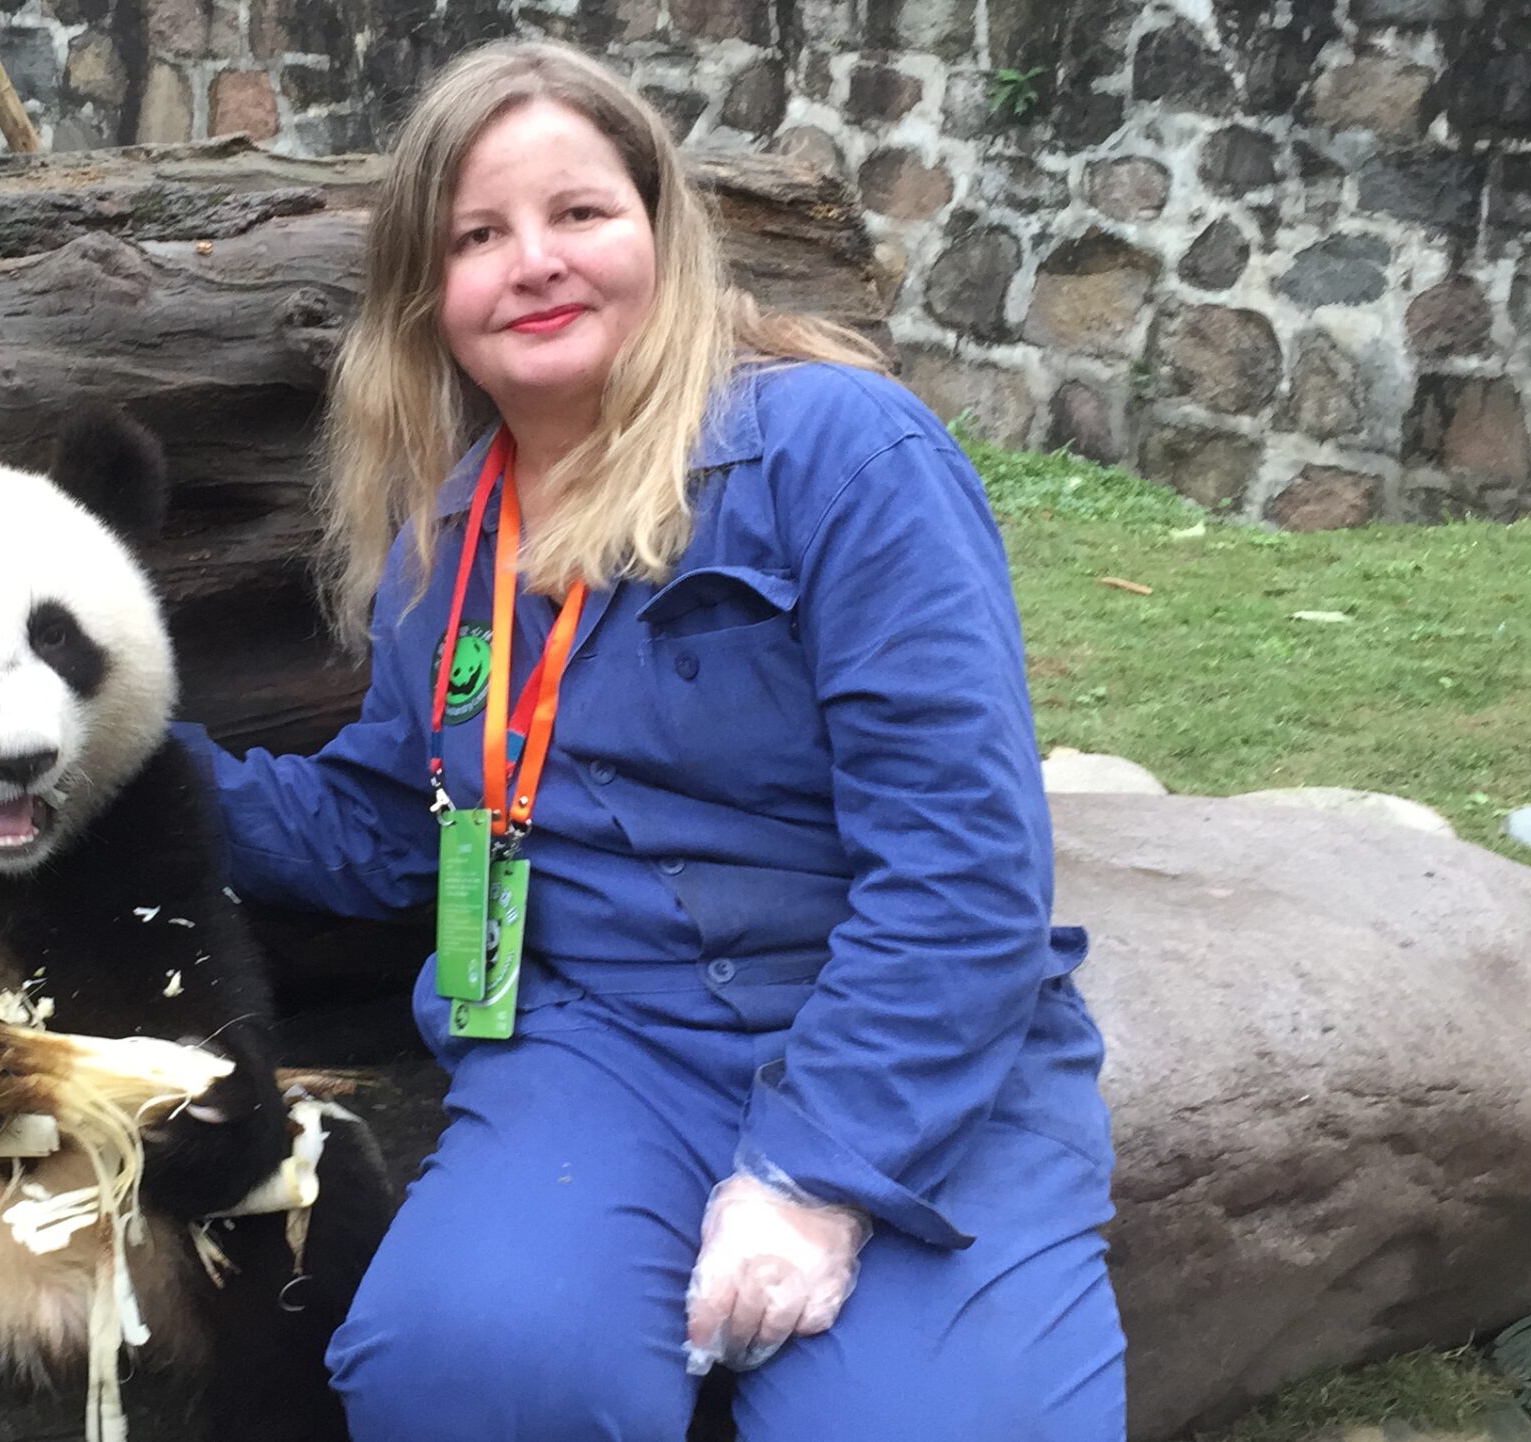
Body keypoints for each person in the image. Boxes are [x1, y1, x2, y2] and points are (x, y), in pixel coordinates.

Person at [170, 38, 1124, 1442]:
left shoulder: (841, 453)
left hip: (901, 1037)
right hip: (606, 1044)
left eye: (579, 214)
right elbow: (394, 824)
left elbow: (964, 864)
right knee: (462, 1369)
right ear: (429, 301)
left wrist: (815, 1178)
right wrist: (132, 761)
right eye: (478, 237)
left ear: (663, 234)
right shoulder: (447, 549)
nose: (534, 262)